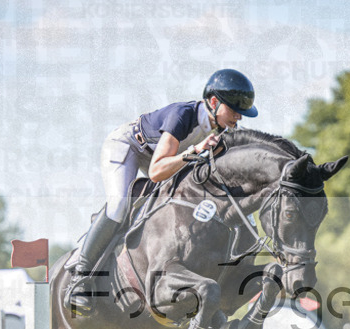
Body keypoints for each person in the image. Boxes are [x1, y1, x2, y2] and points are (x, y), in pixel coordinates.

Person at [65, 68, 259, 315]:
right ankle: (80, 277)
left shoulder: (220, 130)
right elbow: (156, 171)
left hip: (163, 157)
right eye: (234, 111)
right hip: (130, 148)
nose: (238, 118)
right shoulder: (183, 115)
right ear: (213, 102)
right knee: (119, 205)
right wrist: (194, 152)